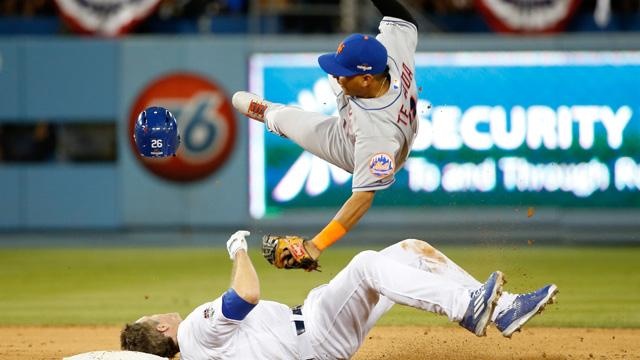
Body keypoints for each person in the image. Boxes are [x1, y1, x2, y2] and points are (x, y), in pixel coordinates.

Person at [121, 231, 558, 359]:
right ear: (161, 328)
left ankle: (501, 308)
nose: (157, 313)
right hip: (314, 334)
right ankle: (470, 307)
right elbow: (246, 293)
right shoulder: (195, 331)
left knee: (411, 252)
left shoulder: (199, 353)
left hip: (314, 327)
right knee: (368, 263)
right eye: (150, 318)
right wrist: (238, 250)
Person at [232, 0, 419, 261]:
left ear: (366, 79)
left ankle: (273, 116)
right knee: (293, 112)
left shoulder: (376, 134)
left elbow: (363, 198)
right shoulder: (390, 54)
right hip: (369, 115)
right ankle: (271, 114)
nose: (337, 74)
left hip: (355, 148)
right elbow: (404, 19)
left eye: (345, 73)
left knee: (293, 119)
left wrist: (316, 245)